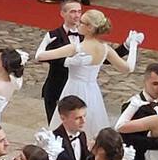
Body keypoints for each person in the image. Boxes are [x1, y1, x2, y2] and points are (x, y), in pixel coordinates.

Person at [35, 8, 141, 137]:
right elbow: (128, 68)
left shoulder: (76, 48)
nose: (78, 24)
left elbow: (40, 56)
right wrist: (133, 45)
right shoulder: (105, 49)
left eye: (82, 22)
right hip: (92, 91)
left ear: (90, 28)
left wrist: (46, 40)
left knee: (66, 127)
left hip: (73, 88)